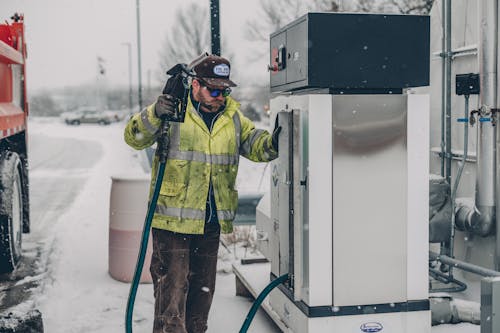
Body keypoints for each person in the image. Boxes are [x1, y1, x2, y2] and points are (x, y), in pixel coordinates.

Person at [124, 53, 280, 333]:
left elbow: (256, 144)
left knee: (201, 295)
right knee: (172, 297)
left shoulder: (232, 118)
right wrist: (154, 114)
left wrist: (277, 140)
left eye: (225, 90)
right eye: (214, 89)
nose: (220, 95)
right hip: (171, 225)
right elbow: (134, 137)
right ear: (194, 85)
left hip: (210, 223)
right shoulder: (173, 112)